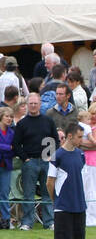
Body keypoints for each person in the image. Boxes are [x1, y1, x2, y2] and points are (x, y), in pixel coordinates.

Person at [46, 122, 89, 239]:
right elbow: (49, 182)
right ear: (70, 136)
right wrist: (56, 200)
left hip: (79, 205)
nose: (81, 140)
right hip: (63, 206)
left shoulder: (80, 154)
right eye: (79, 137)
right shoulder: (56, 156)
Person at [14, 92, 55, 230]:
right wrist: (25, 158)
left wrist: (51, 156)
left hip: (46, 161)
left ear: (40, 104)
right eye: (30, 103)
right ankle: (27, 222)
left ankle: (49, 222)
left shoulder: (48, 121)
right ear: (27, 105)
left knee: (47, 193)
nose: (32, 106)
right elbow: (16, 144)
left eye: (35, 103)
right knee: (28, 194)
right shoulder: (22, 123)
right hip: (29, 162)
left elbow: (54, 139)